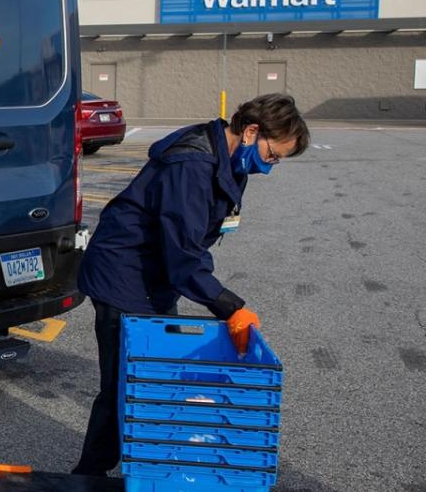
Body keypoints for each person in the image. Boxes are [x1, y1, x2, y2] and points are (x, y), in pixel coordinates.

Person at [71, 93, 310, 477]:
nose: (271, 167)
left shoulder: (228, 161)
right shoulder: (192, 164)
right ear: (251, 131)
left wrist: (213, 289)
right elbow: (182, 253)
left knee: (157, 375)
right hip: (123, 273)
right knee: (125, 382)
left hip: (155, 276)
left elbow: (197, 240)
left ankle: (151, 466)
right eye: (273, 156)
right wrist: (229, 304)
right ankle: (88, 475)